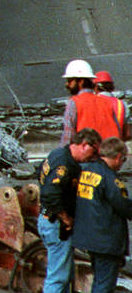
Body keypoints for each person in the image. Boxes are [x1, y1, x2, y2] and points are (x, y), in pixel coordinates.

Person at [38, 127, 101, 293]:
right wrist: (66, 218)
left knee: (64, 274)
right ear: (85, 145)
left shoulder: (57, 154)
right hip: (56, 225)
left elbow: (39, 172)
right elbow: (50, 195)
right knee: (57, 277)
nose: (93, 158)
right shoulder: (63, 165)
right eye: (93, 153)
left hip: (48, 221)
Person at [73, 137, 132, 293]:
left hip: (89, 237)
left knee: (98, 279)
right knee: (104, 285)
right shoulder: (110, 179)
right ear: (119, 157)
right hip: (106, 240)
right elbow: (124, 205)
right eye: (123, 160)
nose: (121, 165)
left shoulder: (85, 170)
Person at [62, 59, 123, 144]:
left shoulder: (74, 102)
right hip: (109, 153)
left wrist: (61, 155)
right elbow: (117, 131)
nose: (67, 84)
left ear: (81, 82)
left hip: (88, 154)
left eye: (69, 81)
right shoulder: (106, 102)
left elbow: (68, 136)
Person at [95, 71, 130, 139]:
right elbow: (128, 133)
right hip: (116, 145)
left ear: (96, 87)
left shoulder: (91, 102)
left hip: (97, 145)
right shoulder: (122, 104)